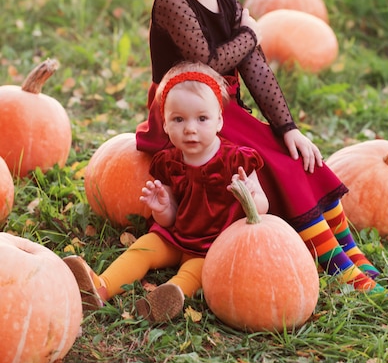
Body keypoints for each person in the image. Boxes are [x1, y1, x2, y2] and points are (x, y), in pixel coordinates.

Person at [136, 0, 384, 294]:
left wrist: (287, 128)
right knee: (278, 169)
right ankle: (335, 265)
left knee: (295, 154)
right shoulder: (172, 2)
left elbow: (256, 72)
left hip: (222, 113)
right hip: (185, 115)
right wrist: (251, 34)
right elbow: (208, 64)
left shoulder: (230, 5)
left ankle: (349, 249)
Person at [65, 62, 269, 321]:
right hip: (177, 236)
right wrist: (162, 208)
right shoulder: (169, 162)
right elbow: (170, 219)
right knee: (144, 247)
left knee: (196, 272)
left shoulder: (237, 160)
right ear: (166, 124)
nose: (190, 128)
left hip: (213, 247)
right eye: (178, 119)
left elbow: (262, 208)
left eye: (202, 118)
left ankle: (166, 299)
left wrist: (252, 195)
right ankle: (100, 287)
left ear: (219, 120)